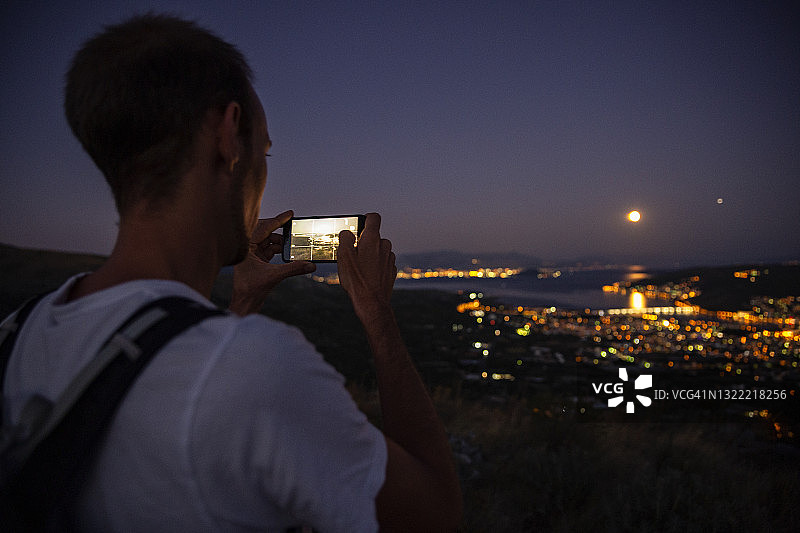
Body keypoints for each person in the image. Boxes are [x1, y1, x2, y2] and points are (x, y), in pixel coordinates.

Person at [1, 14, 461, 532]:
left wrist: (241, 306)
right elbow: (434, 514)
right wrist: (378, 316)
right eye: (264, 150)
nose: (263, 171)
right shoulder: (258, 369)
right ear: (227, 135)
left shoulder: (18, 335)